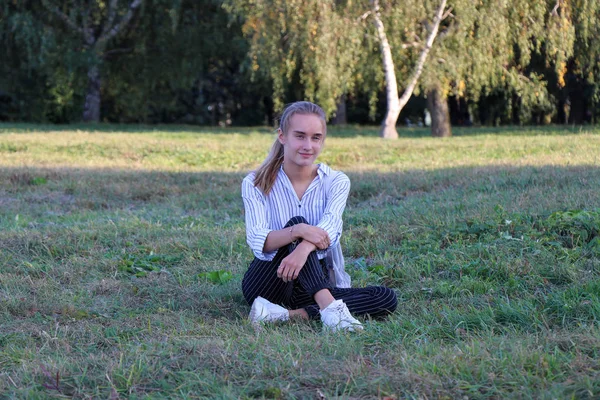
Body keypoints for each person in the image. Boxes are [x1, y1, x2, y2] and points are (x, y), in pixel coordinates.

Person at [241, 101, 397, 332]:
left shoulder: (336, 181)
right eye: (300, 136)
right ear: (282, 136)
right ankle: (332, 312)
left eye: (316, 138)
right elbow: (257, 239)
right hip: (268, 281)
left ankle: (285, 315)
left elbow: (330, 229)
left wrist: (303, 248)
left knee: (385, 297)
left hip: (312, 283)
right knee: (297, 223)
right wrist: (298, 231)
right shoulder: (254, 183)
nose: (308, 145)